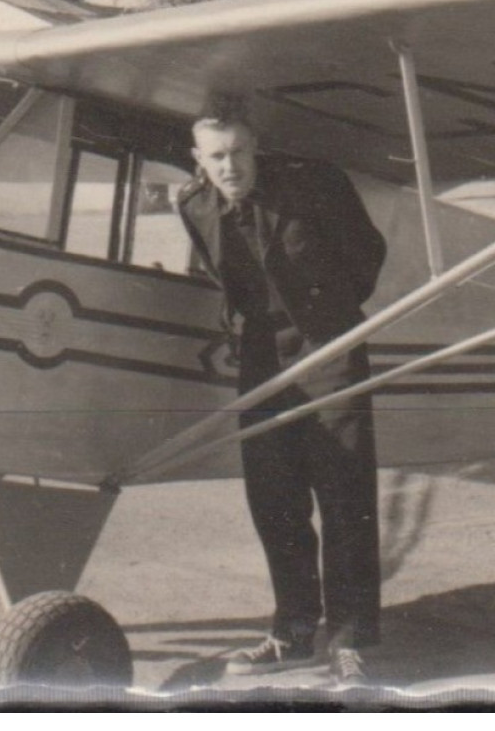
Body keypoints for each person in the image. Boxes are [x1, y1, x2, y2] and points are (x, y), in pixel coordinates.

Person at [176, 105, 387, 683]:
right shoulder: (193, 206)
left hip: (328, 351)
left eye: (239, 151)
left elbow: (367, 254)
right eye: (216, 156)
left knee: (344, 496)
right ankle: (293, 632)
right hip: (262, 358)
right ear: (199, 161)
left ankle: (349, 642)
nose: (230, 165)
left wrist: (330, 316)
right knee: (274, 499)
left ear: (256, 148)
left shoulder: (314, 185)